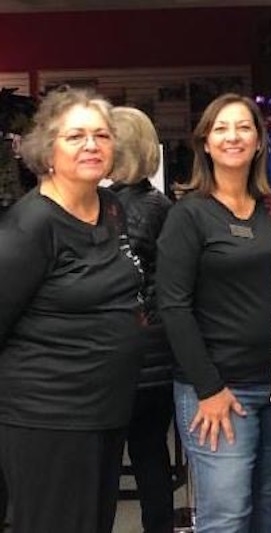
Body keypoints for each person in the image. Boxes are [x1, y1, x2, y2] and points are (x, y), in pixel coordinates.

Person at [0, 87, 141, 532]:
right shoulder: (30, 225)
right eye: (75, 136)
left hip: (106, 410)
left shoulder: (112, 208)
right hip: (48, 417)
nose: (91, 145)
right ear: (47, 151)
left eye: (101, 135)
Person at [157, 93, 271, 533]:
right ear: (206, 144)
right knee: (227, 517)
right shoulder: (188, 215)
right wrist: (209, 388)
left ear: (258, 143)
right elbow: (173, 306)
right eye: (221, 128)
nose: (233, 136)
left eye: (244, 127)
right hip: (217, 392)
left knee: (267, 508)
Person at [108, 106, 176, 533]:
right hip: (159, 354)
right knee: (153, 458)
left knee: (107, 462)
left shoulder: (114, 210)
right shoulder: (162, 204)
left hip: (126, 355)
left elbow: (121, 275)